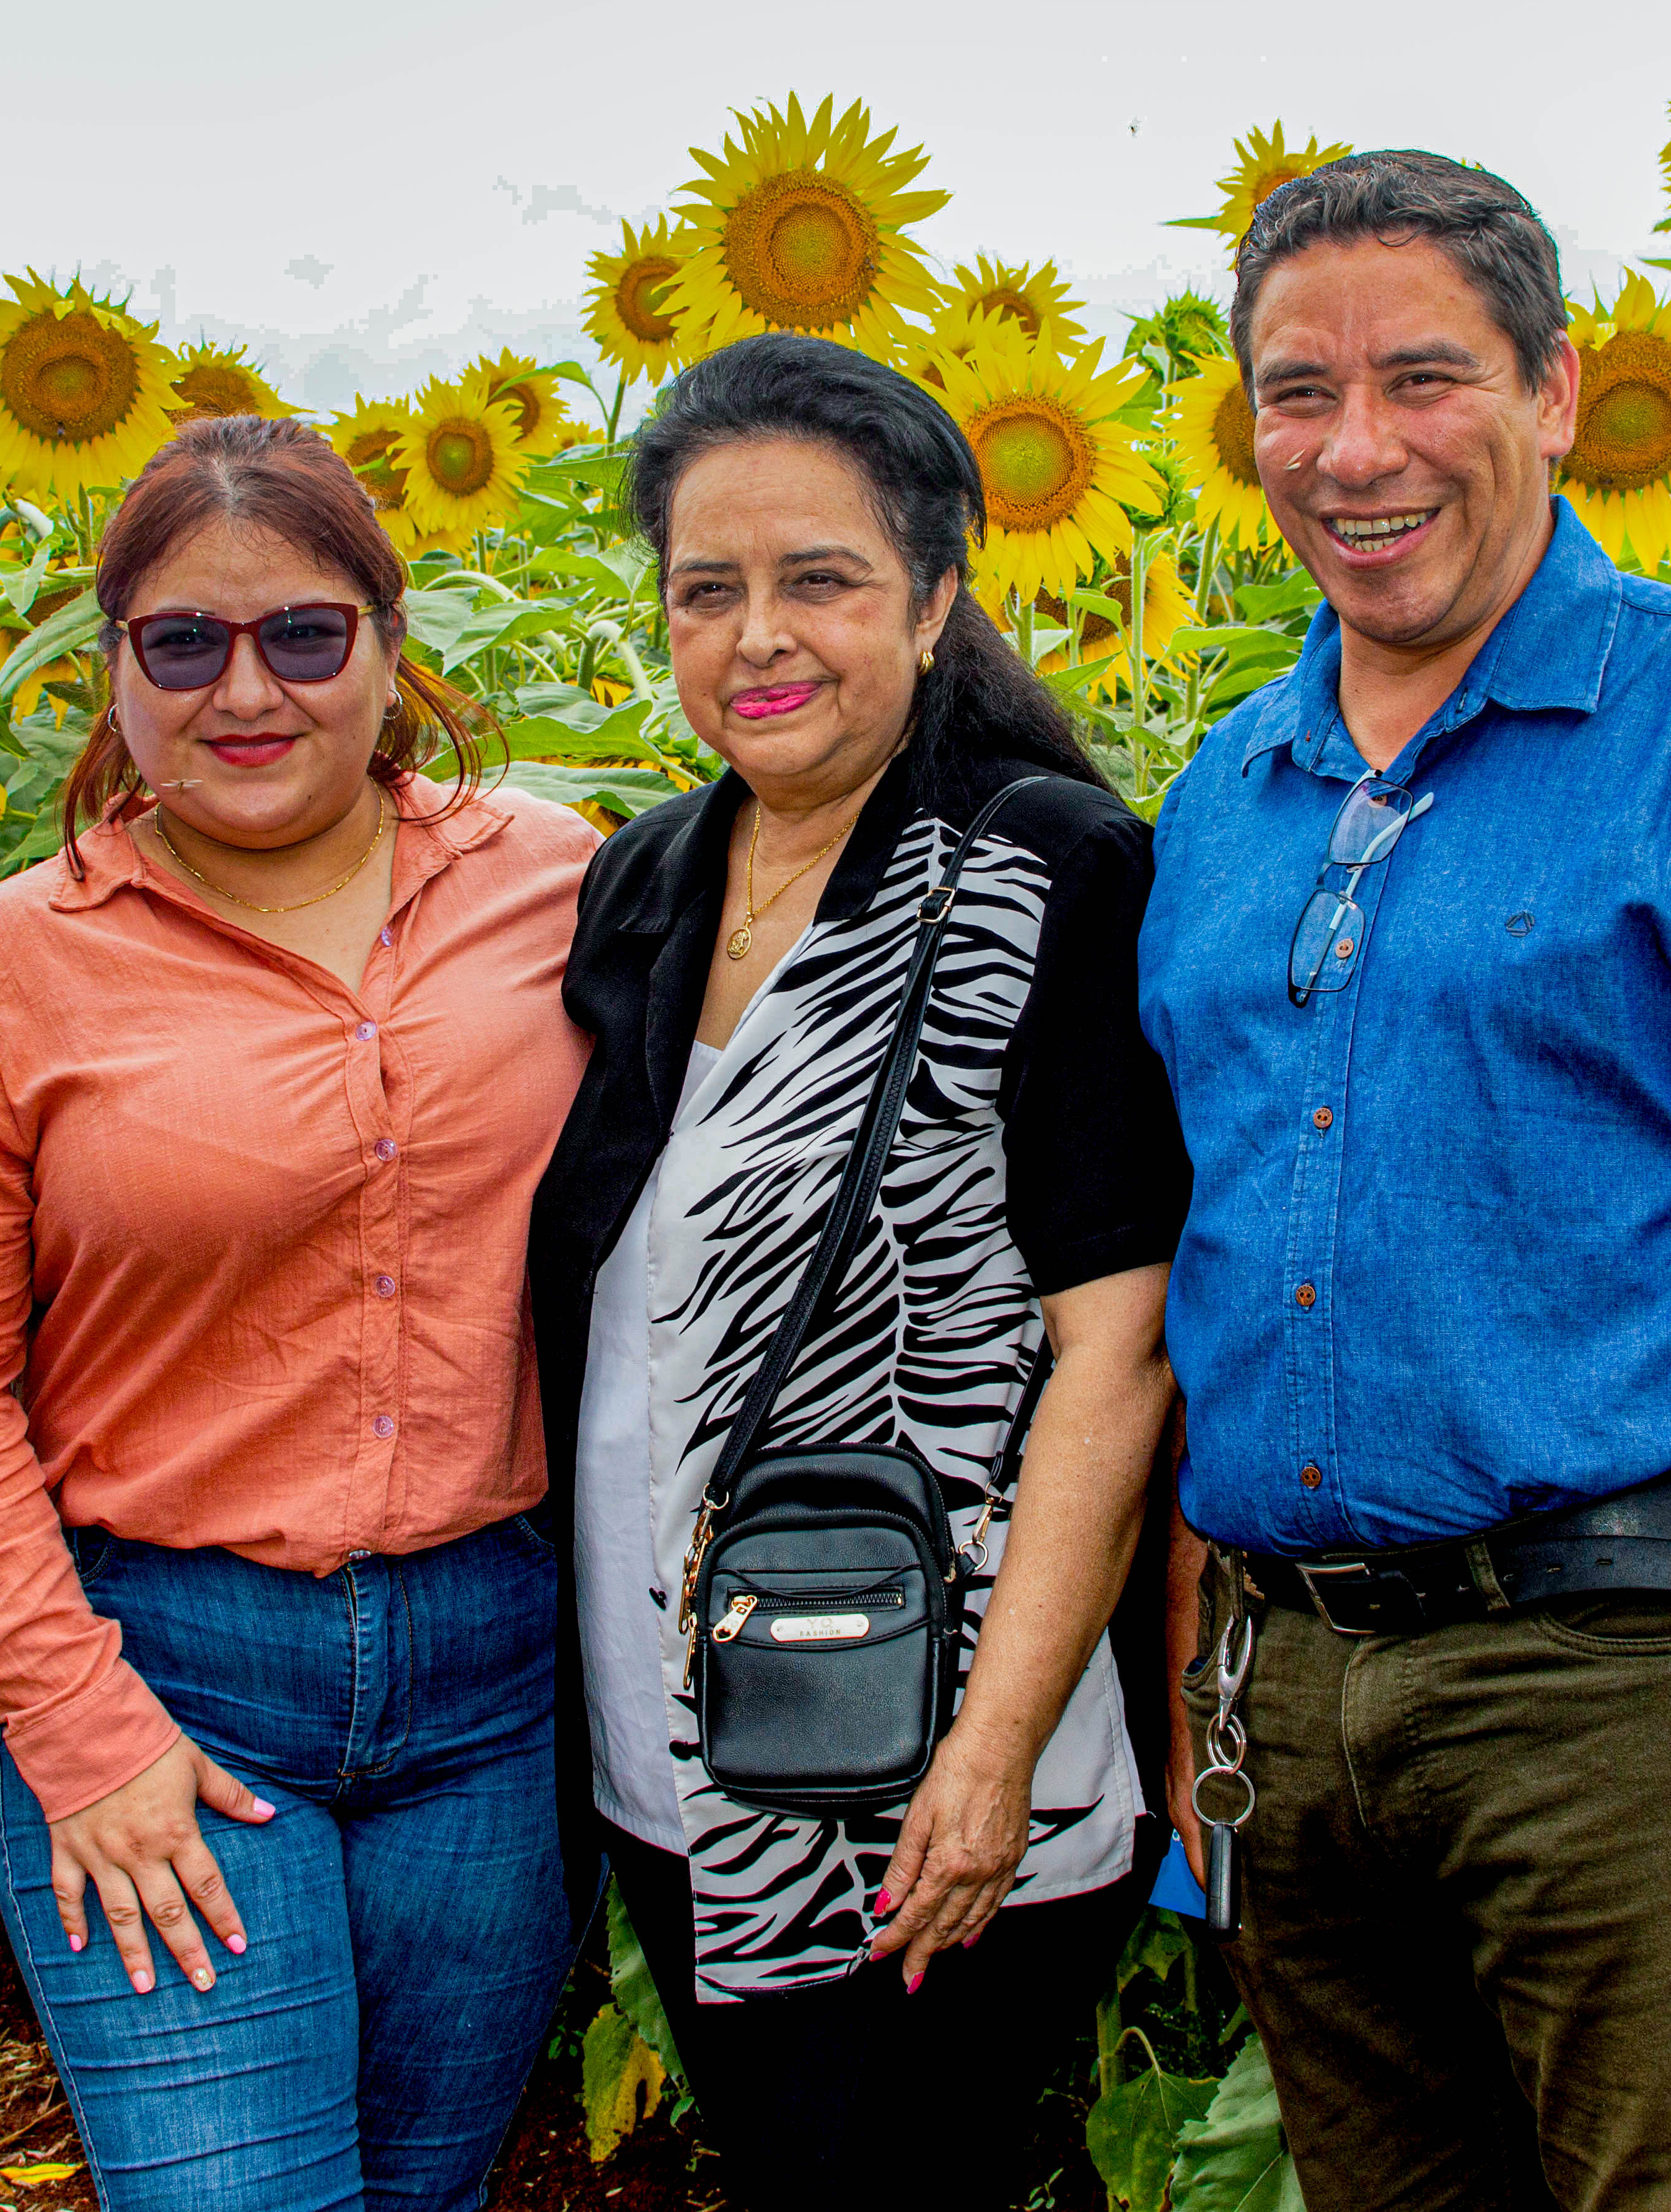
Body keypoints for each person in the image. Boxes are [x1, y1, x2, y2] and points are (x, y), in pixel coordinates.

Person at [1138, 148, 1671, 2209]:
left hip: (1615, 1685)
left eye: (1424, 379)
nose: (1356, 452)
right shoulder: (1228, 791)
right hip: (1295, 1688)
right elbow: (1209, 1250)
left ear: (1553, 389)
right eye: (1295, 393)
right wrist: (1203, 1665)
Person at [0, 414, 595, 2212]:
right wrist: (72, 1727)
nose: (245, 689)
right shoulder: (6, 970)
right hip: (165, 1679)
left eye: (304, 636)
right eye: (184, 643)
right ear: (115, 669)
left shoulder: (562, 884)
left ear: (390, 648)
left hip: (498, 1677)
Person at [524, 333, 1188, 2208]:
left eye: (817, 580)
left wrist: (987, 1760)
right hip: (674, 1732)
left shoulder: (1037, 870)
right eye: (706, 590)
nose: (758, 637)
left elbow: (1116, 1351)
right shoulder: (644, 877)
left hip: (927, 1734)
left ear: (935, 595)